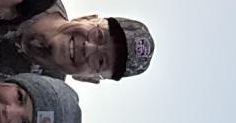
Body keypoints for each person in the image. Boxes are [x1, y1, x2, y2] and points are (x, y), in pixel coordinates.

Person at [19, 11, 156, 82]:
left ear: (88, 79)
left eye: (100, 61)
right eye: (99, 35)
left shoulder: (38, 101)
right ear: (87, 17)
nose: (89, 48)